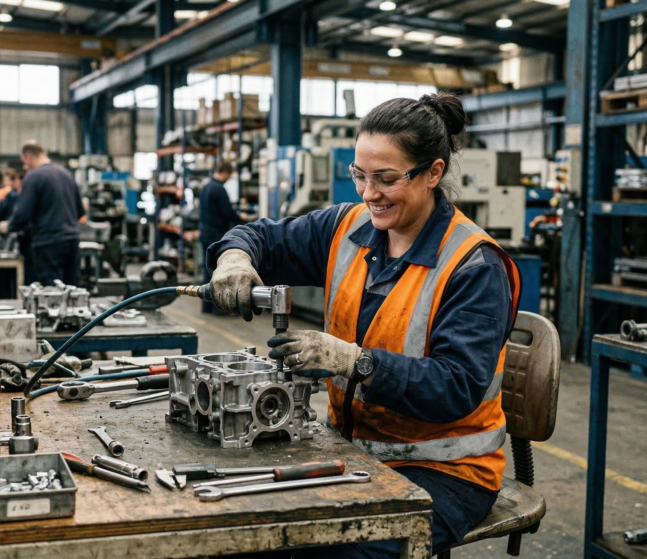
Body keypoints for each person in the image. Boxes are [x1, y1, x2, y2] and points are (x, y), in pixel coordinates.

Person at [206, 92, 521, 558]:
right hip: (352, 450)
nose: (368, 193)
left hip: (446, 471)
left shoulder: (474, 266)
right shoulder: (348, 229)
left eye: (386, 179)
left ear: (434, 172)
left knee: (328, 548)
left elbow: (456, 387)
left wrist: (356, 362)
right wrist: (235, 257)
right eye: (360, 175)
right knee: (252, 525)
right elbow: (262, 237)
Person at [5, 140, 85, 286]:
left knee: (51, 292)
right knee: (72, 290)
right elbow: (80, 211)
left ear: (28, 156)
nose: (25, 166)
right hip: (72, 241)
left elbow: (22, 214)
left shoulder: (33, 177)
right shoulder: (66, 174)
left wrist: (8, 226)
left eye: (24, 161)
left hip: (48, 243)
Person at [198, 161, 246, 313]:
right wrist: (241, 218)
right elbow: (227, 212)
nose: (228, 178)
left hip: (205, 232)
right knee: (218, 271)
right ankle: (218, 308)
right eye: (229, 175)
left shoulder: (206, 187)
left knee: (208, 270)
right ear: (225, 172)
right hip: (216, 234)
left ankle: (206, 306)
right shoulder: (219, 189)